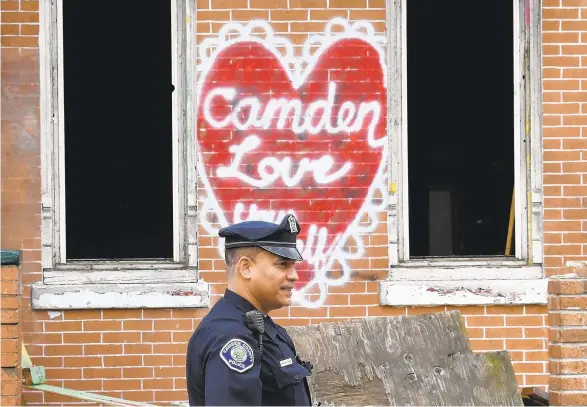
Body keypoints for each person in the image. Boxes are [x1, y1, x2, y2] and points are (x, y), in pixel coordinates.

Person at [186, 214, 314, 406]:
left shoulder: (263, 328)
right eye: (282, 264)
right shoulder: (230, 338)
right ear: (246, 268)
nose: (294, 275)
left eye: (293, 266)